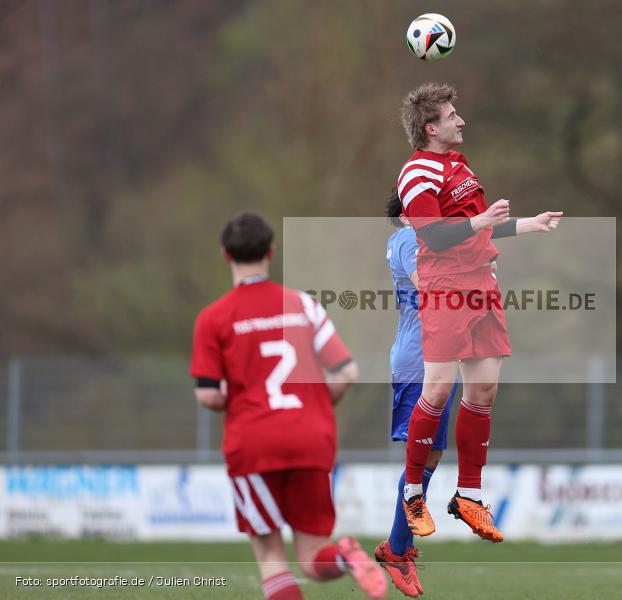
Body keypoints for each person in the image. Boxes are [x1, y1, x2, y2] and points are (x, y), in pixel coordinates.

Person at [396, 82, 563, 543]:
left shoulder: (458, 164)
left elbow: (476, 230)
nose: (461, 120)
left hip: (482, 285)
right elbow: (432, 236)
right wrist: (481, 221)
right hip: (447, 288)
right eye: (452, 115)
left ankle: (468, 496)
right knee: (438, 388)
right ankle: (413, 492)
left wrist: (526, 225)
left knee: (485, 389)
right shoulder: (417, 172)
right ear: (431, 128)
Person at [190, 212, 387, 600]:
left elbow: (208, 395)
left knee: (270, 558)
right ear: (270, 251)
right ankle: (346, 558)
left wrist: (246, 397)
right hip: (311, 438)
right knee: (313, 557)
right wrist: (312, 404)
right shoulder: (304, 306)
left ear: (226, 256)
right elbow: (346, 371)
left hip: (254, 443)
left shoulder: (213, 318)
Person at [373, 190, 460, 597]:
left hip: (439, 358)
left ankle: (398, 545)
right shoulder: (408, 239)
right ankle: (397, 548)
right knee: (419, 452)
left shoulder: (422, 240)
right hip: (419, 361)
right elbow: (426, 283)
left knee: (433, 454)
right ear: (409, 212)